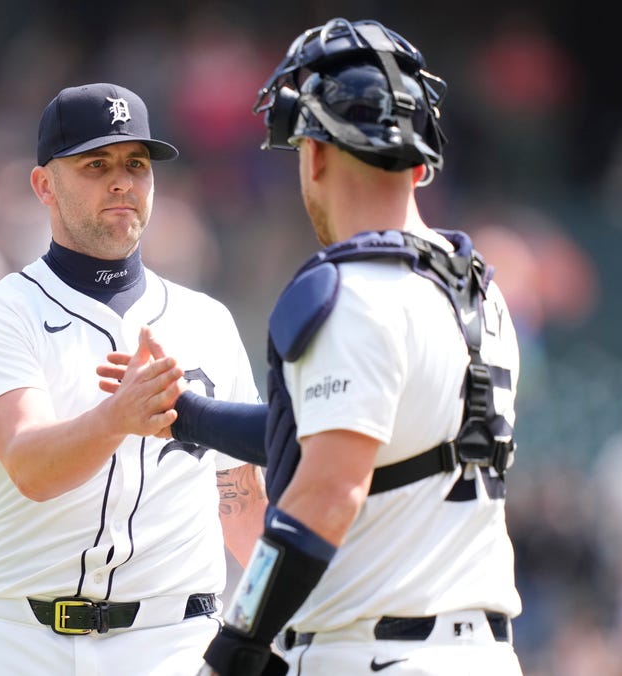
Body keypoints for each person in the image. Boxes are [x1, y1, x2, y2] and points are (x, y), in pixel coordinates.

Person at [100, 18, 524, 675]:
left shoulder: (349, 292)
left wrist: (234, 647)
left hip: (373, 653)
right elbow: (345, 436)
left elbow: (325, 494)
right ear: (419, 161)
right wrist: (187, 413)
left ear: (316, 152)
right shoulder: (474, 289)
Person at [0, 82, 267, 675]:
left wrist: (298, 621)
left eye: (136, 165)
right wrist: (118, 417)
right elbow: (32, 467)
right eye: (96, 164)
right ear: (44, 185)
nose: (122, 181)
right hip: (25, 641)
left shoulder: (206, 322)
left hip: (176, 642)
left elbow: (241, 503)